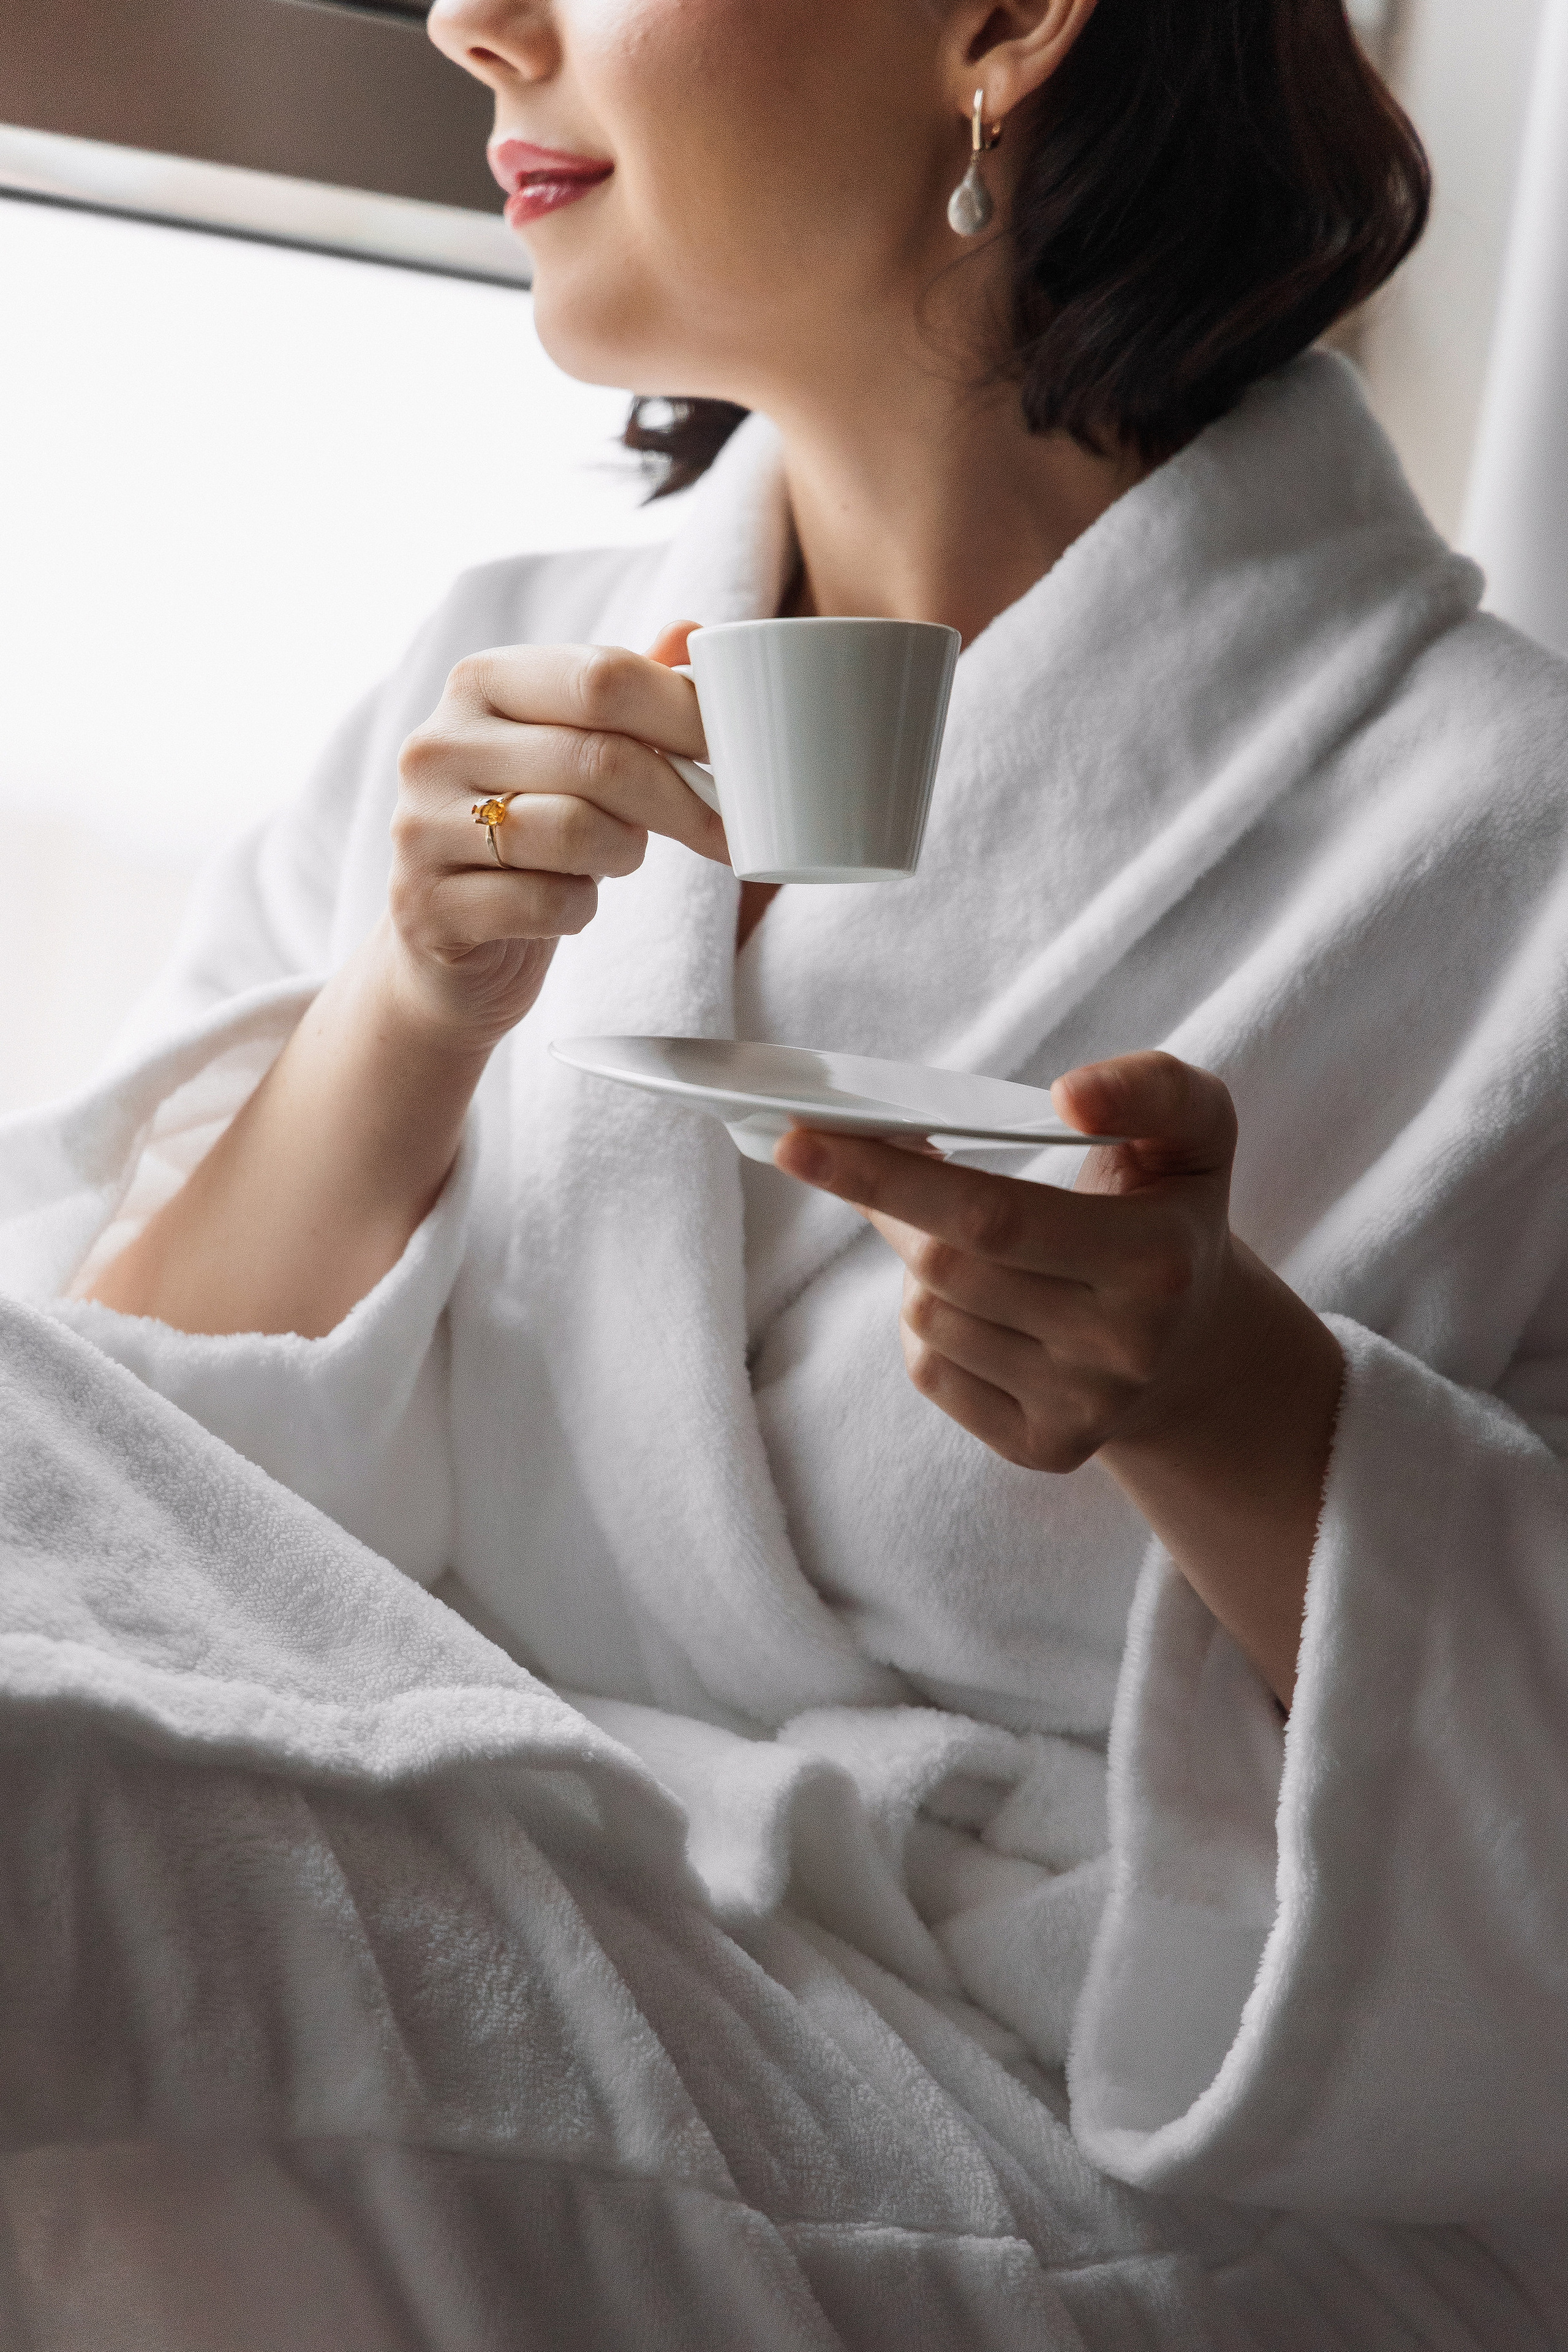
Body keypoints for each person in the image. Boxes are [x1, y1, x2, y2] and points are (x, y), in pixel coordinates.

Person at [4, 0, 1568, 2343]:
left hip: (1114, 2160)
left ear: (1007, 25)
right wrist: (401, 1026)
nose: (471, 17)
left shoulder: (1514, 871)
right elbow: (123, 1497)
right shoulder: (500, 672)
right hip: (496, 1922)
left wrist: (1237, 1407)